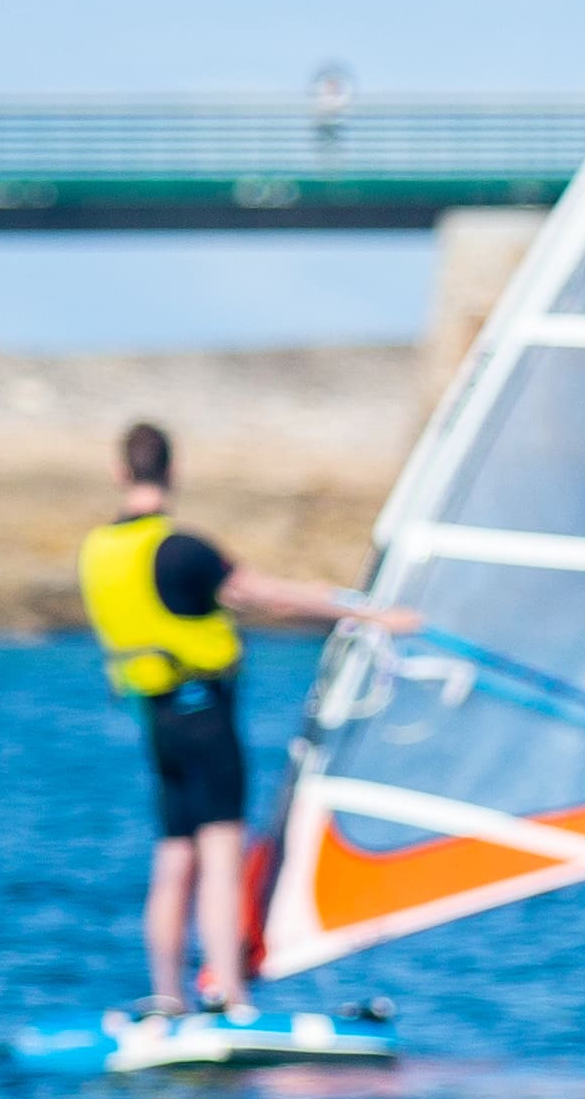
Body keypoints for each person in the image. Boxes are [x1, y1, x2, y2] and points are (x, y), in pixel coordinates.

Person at [78, 422, 408, 1014]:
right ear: (172, 472)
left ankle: (166, 996)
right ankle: (229, 995)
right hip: (204, 716)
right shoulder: (181, 549)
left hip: (155, 720)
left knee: (175, 856)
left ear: (120, 472)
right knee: (221, 855)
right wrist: (371, 615)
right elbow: (266, 595)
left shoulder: (98, 551)